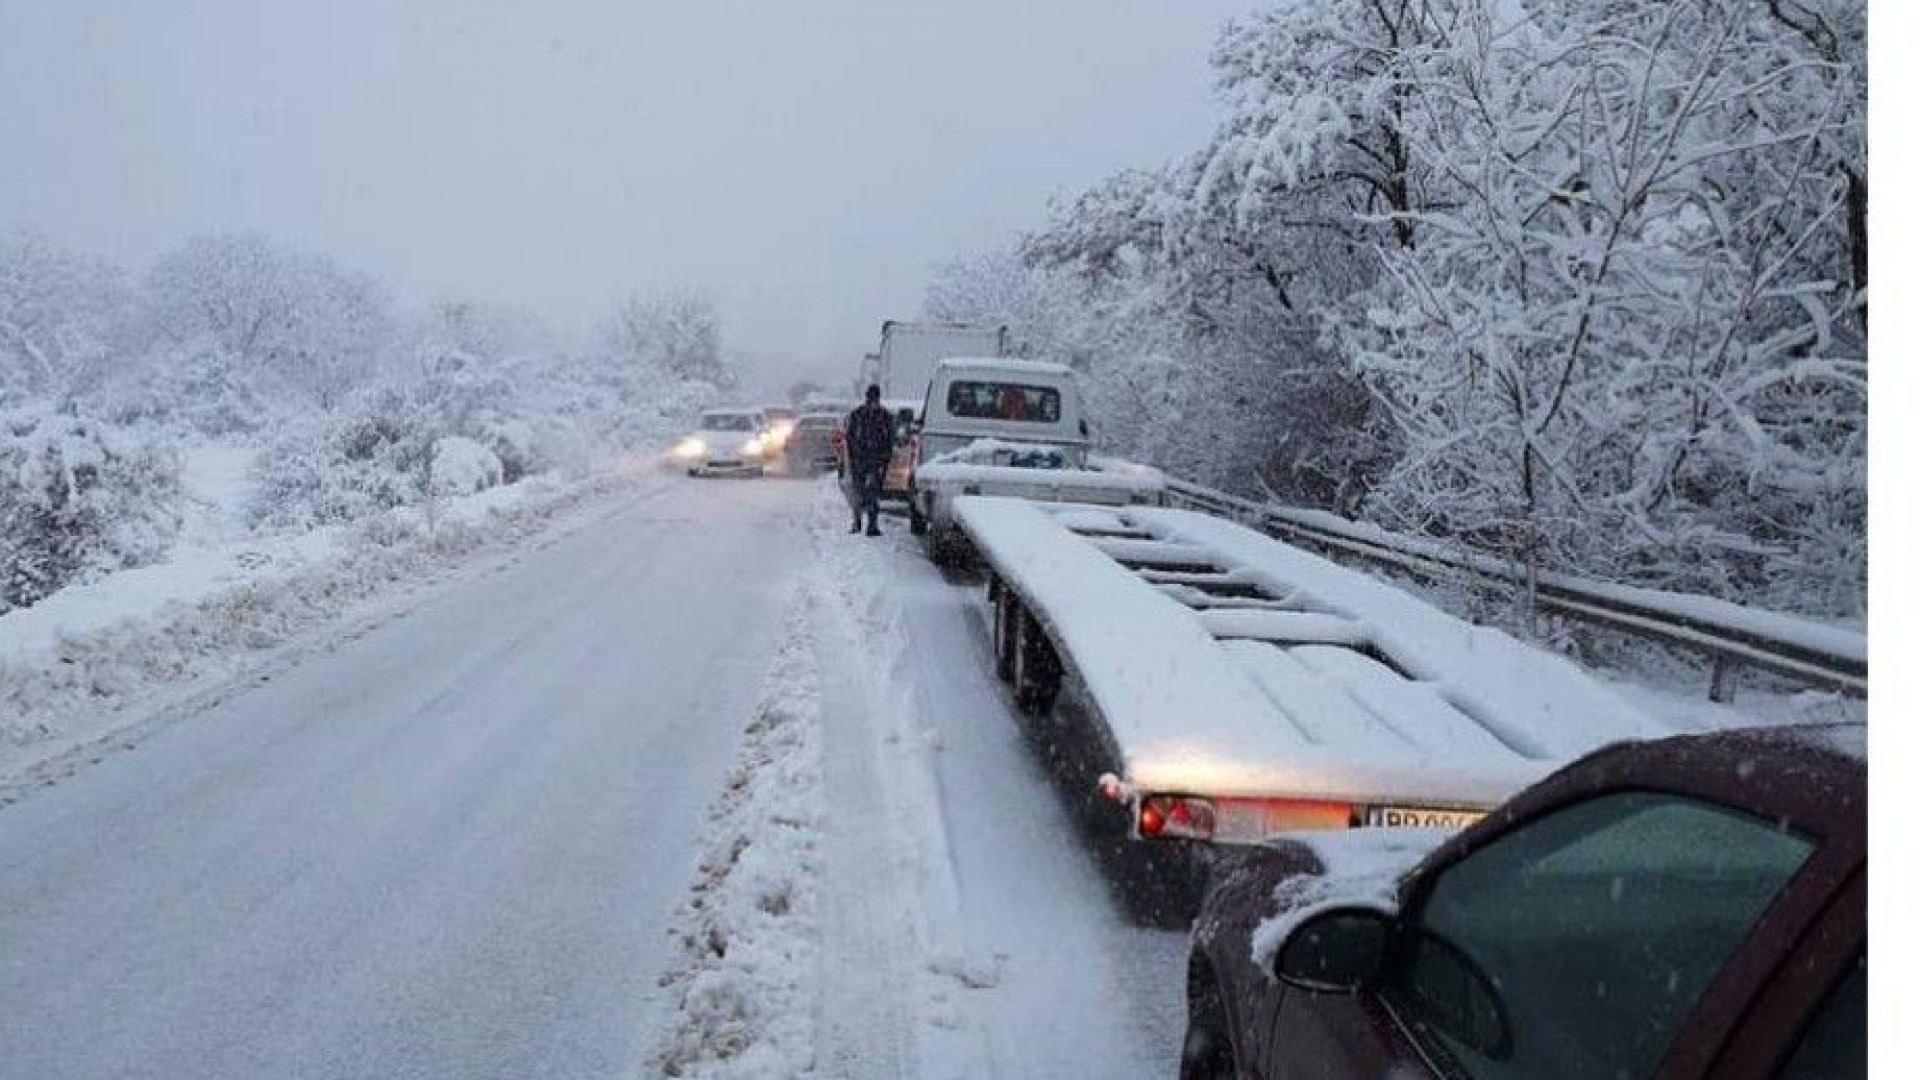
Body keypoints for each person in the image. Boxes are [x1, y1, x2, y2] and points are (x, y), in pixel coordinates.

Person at [844, 384, 894, 536]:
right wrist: (885, 458)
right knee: (870, 492)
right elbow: (890, 439)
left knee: (860, 491)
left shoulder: (858, 414)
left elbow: (849, 438)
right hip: (873, 460)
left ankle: (859, 522)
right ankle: (869, 524)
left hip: (862, 459)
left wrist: (852, 458)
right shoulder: (884, 415)